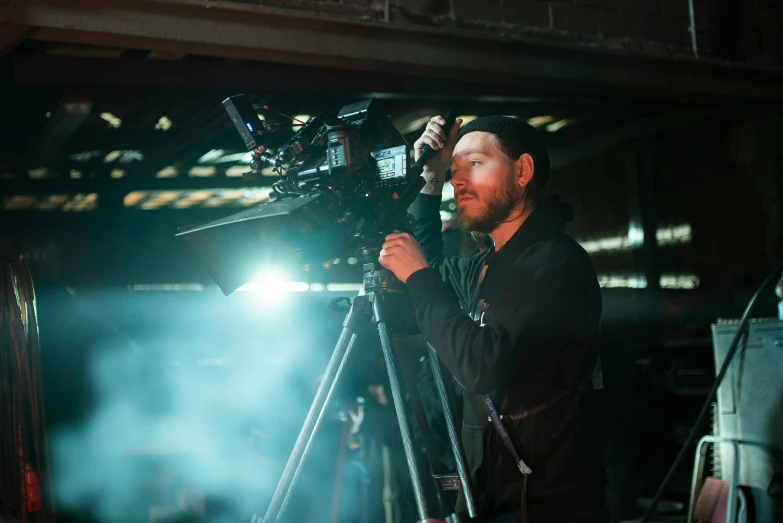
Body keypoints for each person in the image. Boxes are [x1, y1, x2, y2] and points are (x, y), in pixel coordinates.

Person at [377, 116, 608, 522]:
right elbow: (421, 280)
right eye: (454, 171)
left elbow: (481, 366)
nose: (459, 181)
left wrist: (418, 275)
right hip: (487, 492)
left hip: (544, 504)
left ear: (522, 171)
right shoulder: (486, 266)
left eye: (475, 164)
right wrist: (427, 179)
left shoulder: (552, 264)